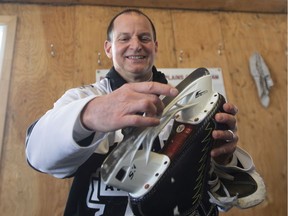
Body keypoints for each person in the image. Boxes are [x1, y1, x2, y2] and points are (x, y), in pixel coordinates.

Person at [25, 8, 263, 216]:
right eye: (124, 38)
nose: (136, 45)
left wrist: (222, 161)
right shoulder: (82, 99)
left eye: (144, 38)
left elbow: (223, 203)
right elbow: (38, 156)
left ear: (155, 47)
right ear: (109, 48)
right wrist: (90, 115)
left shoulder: (192, 107)